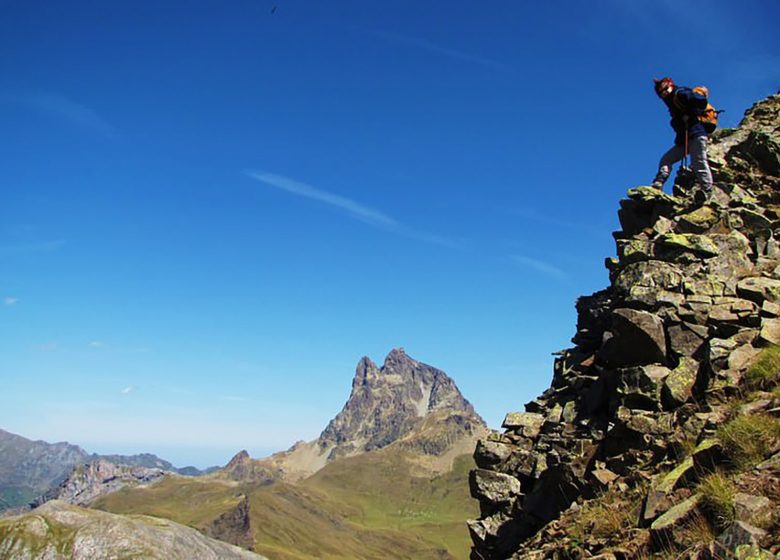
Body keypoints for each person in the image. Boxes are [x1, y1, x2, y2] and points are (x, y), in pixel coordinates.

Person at [651, 77, 713, 194]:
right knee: (666, 159)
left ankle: (707, 191)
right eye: (660, 93)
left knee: (698, 162)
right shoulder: (672, 104)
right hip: (685, 140)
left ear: (670, 85)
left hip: (696, 135)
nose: (663, 93)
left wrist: (689, 114)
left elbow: (700, 100)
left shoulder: (680, 93)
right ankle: (659, 181)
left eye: (664, 89)